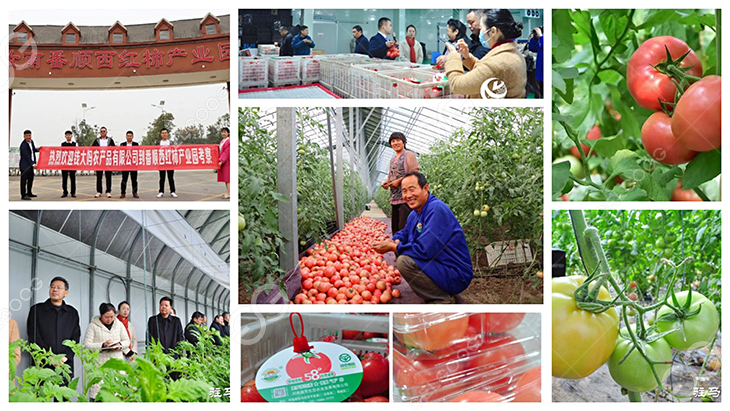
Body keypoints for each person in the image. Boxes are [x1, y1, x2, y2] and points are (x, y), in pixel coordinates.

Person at [373, 172, 473, 304]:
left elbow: (424, 250)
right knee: (403, 253)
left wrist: (394, 246)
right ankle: (437, 290)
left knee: (404, 261)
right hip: (439, 264)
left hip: (455, 273)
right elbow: (405, 233)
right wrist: (393, 239)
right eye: (404, 191)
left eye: (412, 189)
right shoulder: (415, 214)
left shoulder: (436, 210)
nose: (408, 195)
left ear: (425, 188)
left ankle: (441, 299)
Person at [445, 9, 527, 98]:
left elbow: (457, 85)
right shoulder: (510, 53)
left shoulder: (498, 63)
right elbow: (484, 70)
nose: (480, 33)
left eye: (482, 28)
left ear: (493, 31)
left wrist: (453, 55)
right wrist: (467, 57)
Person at [26, 276, 81, 382]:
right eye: (52, 287)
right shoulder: (37, 310)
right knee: (41, 395)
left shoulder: (72, 313)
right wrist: (49, 357)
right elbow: (34, 336)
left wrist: (65, 357)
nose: (54, 289)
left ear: (66, 293)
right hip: (42, 363)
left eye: (59, 287)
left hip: (64, 364)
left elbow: (75, 337)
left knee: (62, 395)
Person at [84, 303, 131, 399]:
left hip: (116, 363)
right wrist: (103, 345)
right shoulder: (93, 326)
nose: (109, 319)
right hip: (100, 365)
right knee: (100, 395)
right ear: (101, 315)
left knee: (117, 394)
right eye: (106, 317)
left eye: (112, 317)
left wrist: (120, 345)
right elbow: (87, 345)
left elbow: (127, 340)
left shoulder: (119, 324)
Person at [381, 132, 419, 234]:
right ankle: (397, 248)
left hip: (406, 197)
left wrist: (399, 181)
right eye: (393, 141)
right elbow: (391, 175)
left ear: (404, 142)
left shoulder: (409, 154)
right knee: (395, 226)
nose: (395, 143)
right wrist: (386, 183)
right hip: (394, 198)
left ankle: (405, 248)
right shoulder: (392, 159)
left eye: (398, 140)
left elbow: (414, 172)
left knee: (404, 226)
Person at [92, 126, 115, 198]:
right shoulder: (96, 141)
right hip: (99, 161)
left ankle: (108, 191)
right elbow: (92, 149)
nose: (103, 132)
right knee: (99, 177)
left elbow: (114, 149)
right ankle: (99, 191)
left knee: (108, 176)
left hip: (107, 160)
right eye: (101, 131)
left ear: (106, 132)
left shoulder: (110, 140)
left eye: (104, 131)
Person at [157, 128, 177, 198]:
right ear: (161, 134)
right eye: (163, 133)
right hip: (161, 162)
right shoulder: (158, 143)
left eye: (165, 133)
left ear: (168, 134)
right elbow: (154, 151)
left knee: (171, 177)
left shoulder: (171, 142)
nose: (164, 134)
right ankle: (161, 191)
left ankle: (172, 191)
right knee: (162, 178)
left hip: (170, 162)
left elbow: (175, 151)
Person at [19, 129, 39, 200]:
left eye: (29, 135)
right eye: (27, 136)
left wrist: (39, 149)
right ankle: (23, 195)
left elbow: (33, 150)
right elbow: (27, 156)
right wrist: (33, 164)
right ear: (24, 136)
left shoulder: (31, 142)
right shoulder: (23, 145)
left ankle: (29, 192)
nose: (28, 137)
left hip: (30, 166)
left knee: (30, 179)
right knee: (24, 181)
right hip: (25, 166)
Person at [119, 131, 139, 199]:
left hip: (133, 164)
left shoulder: (136, 144)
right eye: (128, 136)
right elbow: (120, 154)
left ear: (132, 137)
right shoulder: (122, 144)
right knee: (124, 180)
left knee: (134, 180)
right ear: (126, 136)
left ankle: (135, 193)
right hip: (125, 165)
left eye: (130, 136)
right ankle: (123, 193)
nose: (129, 137)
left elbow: (138, 153)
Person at [528, 26, 544, 98]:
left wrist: (541, 36)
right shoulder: (541, 41)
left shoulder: (544, 40)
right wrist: (534, 37)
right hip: (540, 72)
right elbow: (532, 48)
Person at [61, 130, 76, 198]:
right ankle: (65, 192)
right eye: (67, 135)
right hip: (65, 163)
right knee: (64, 179)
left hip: (72, 163)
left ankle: (73, 192)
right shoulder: (63, 144)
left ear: (71, 136)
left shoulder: (74, 144)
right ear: (65, 136)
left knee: (72, 178)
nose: (68, 136)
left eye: (69, 135)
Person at [218, 127, 230, 199]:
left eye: (225, 132)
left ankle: (229, 193)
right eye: (222, 132)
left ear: (228, 133)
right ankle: (228, 192)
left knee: (228, 178)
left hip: (226, 162)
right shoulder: (222, 141)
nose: (223, 133)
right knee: (226, 178)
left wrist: (222, 160)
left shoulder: (228, 141)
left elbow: (227, 152)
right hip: (223, 162)